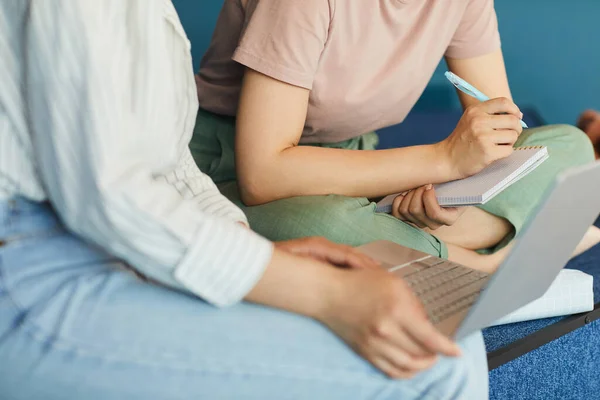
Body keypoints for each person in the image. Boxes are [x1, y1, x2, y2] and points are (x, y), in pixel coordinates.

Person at [0, 1, 489, 399]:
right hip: (30, 267)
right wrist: (319, 290)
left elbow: (171, 165)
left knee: (452, 347)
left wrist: (253, 248)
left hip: (103, 248)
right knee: (434, 367)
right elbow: (107, 195)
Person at [193, 0, 599, 273]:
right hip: (228, 169)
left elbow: (503, 137)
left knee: (569, 147)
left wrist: (452, 198)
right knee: (325, 225)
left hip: (364, 169)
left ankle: (413, 239)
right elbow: (263, 175)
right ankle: (483, 265)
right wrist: (443, 161)